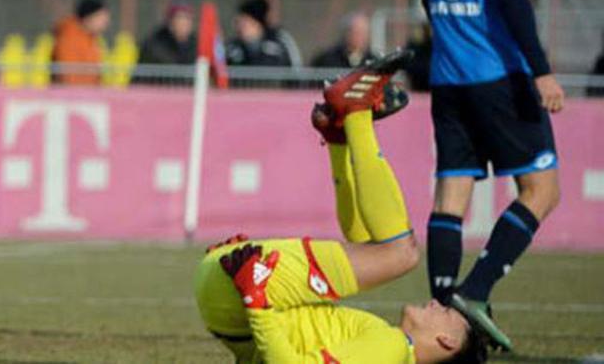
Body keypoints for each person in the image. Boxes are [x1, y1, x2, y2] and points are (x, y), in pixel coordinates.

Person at [194, 52, 488, 363]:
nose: (437, 303)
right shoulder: (390, 345)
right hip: (230, 297)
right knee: (370, 247)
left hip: (249, 289)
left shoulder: (392, 348)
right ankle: (339, 137)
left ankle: (356, 112)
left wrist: (256, 302)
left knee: (403, 254)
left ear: (447, 340)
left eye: (446, 312)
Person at [418, 0, 564, 351]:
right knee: (543, 191)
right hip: (497, 75)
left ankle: (440, 319)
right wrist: (541, 69)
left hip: (448, 78)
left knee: (452, 192)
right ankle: (474, 293)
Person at [224, 0, 300, 68]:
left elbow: (296, 69)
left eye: (245, 23)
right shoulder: (233, 47)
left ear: (258, 24)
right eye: (238, 23)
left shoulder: (280, 40)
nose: (240, 28)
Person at [51, 0, 110, 85]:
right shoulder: (69, 38)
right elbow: (70, 78)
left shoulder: (90, 39)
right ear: (89, 18)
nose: (105, 23)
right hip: (75, 96)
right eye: (101, 18)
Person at [138, 1, 196, 66]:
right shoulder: (154, 45)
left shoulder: (196, 46)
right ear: (170, 22)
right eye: (180, 18)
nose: (184, 23)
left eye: (187, 18)